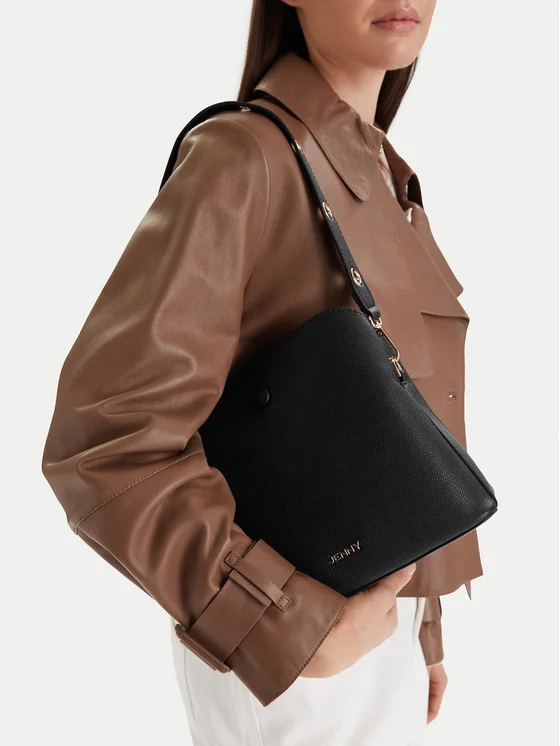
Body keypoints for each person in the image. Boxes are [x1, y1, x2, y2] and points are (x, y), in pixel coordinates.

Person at [41, 1, 486, 744]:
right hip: (300, 652)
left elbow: (400, 418)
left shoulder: (381, 171)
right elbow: (107, 436)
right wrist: (284, 625)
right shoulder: (245, 158)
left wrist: (423, 628)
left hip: (373, 634)